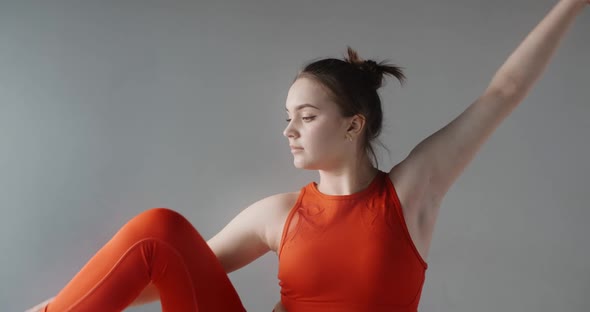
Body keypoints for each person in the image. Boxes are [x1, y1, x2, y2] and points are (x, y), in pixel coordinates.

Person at [26, 0, 588, 311]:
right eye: (287, 118)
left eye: (307, 116)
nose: (290, 131)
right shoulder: (279, 214)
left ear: (353, 125)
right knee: (160, 230)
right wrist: (65, 301)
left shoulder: (409, 196)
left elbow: (503, 92)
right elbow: (158, 268)